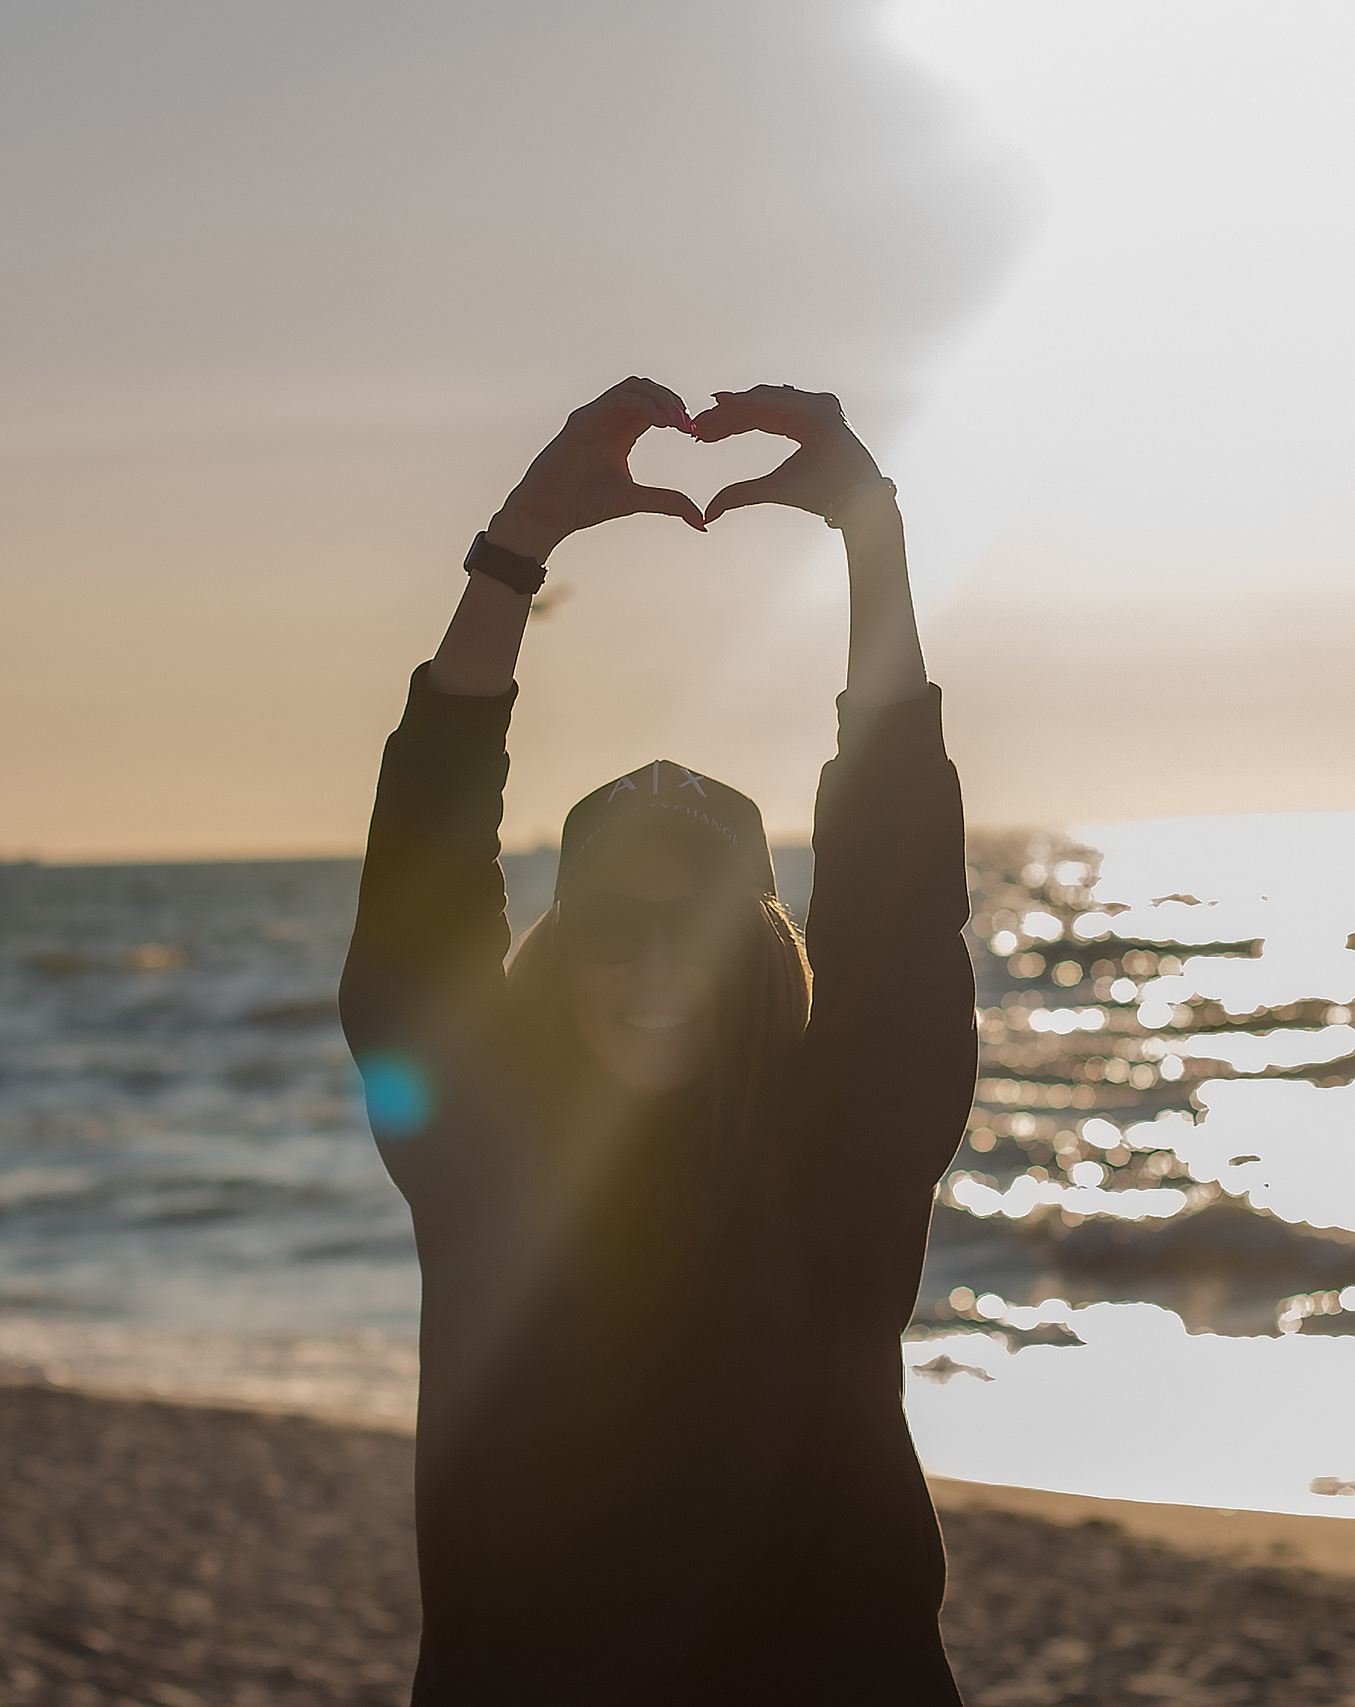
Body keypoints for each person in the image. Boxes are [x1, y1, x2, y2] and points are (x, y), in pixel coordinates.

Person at [340, 377, 976, 1704]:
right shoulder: (490, 1163)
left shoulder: (843, 1156)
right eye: (613, 927)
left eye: (689, 926)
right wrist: (511, 554)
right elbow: (424, 885)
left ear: (754, 944)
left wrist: (873, 539)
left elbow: (897, 879)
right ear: (560, 948)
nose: (649, 967)